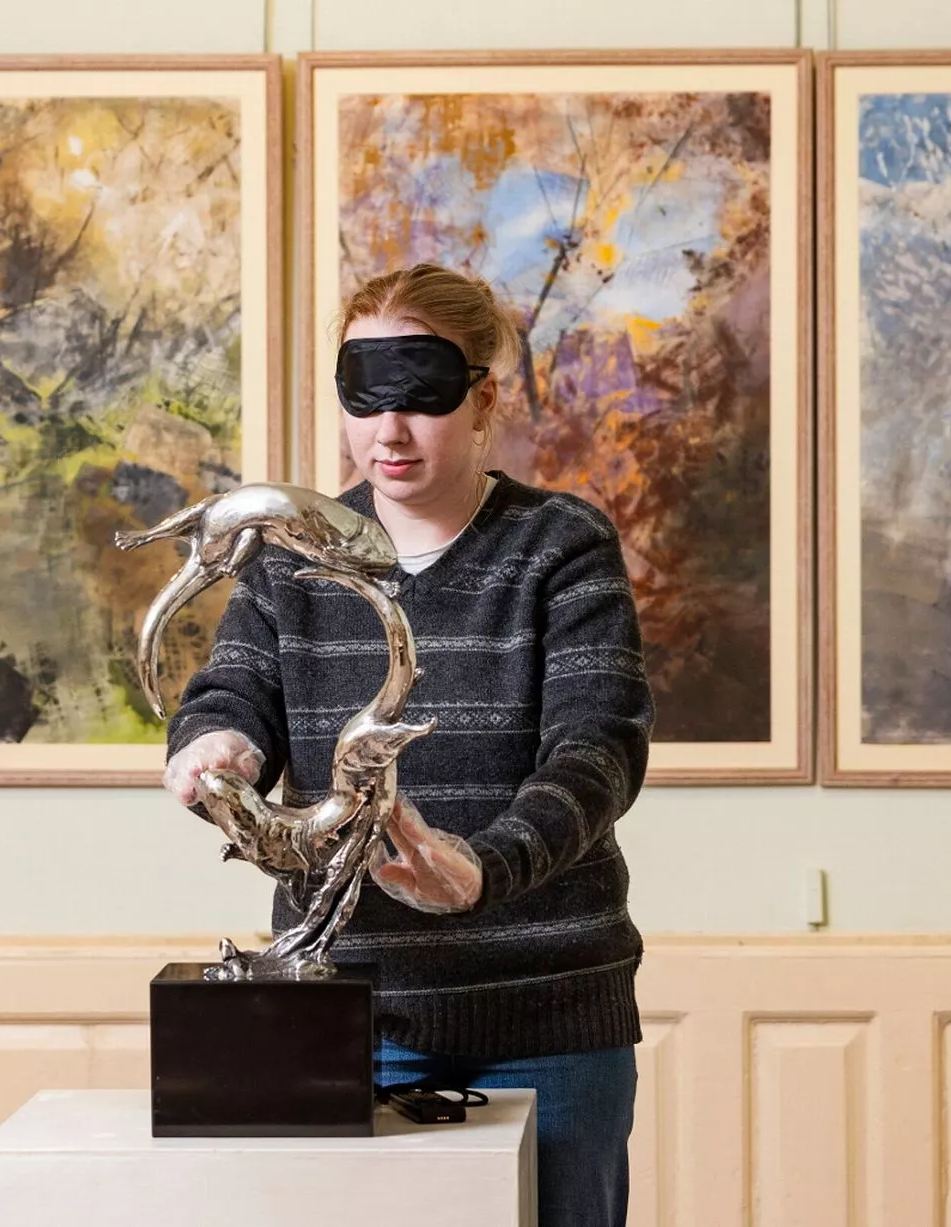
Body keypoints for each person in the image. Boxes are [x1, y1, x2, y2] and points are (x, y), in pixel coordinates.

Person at [163, 263, 654, 1227]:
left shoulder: (561, 545)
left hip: (550, 1019)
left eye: (421, 394)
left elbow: (597, 749)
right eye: (364, 394)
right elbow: (233, 691)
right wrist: (216, 740)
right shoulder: (289, 555)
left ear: (482, 402)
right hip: (347, 1017)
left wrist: (483, 868)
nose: (389, 430)